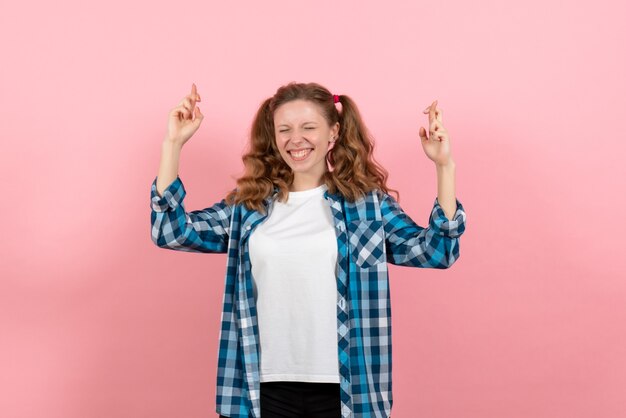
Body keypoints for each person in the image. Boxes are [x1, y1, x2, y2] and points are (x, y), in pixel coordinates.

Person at [150, 82, 467, 418]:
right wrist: (173, 144)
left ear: (333, 133)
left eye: (308, 127)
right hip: (262, 388)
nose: (294, 139)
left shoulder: (366, 207)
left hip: (347, 389)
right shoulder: (249, 207)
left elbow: (437, 251)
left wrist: (444, 167)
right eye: (284, 129)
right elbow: (171, 232)